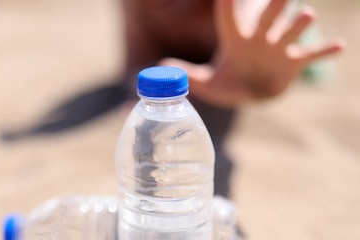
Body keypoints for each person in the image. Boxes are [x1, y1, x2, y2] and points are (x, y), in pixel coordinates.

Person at [120, 0, 345, 196]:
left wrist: (255, 74)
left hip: (275, 51)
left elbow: (256, 16)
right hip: (215, 60)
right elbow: (137, 65)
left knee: (311, 69)